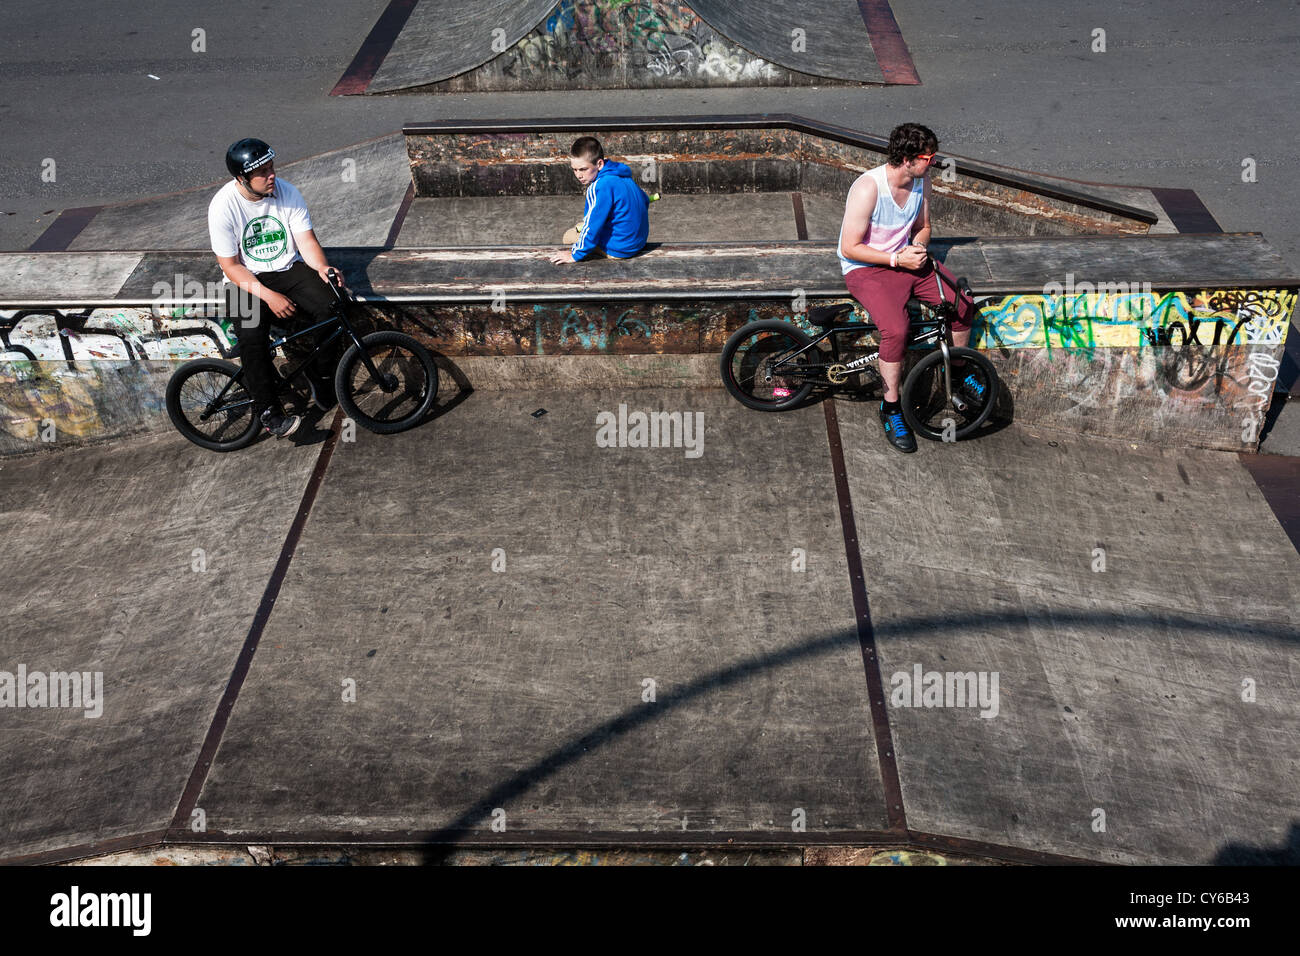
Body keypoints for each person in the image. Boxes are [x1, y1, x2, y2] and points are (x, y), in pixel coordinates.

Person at [838, 123, 977, 453]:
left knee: (962, 305)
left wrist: (917, 245)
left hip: (907, 260)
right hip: (867, 268)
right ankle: (891, 407)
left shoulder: (921, 181)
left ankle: (956, 378)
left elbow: (924, 227)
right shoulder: (868, 188)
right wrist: (897, 260)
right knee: (897, 330)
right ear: (907, 158)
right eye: (930, 158)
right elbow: (849, 248)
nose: (934, 163)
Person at [208, 138, 343, 439]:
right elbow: (230, 265)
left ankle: (320, 375)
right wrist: (268, 296)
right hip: (242, 280)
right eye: (263, 172)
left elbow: (306, 241)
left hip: (286, 269)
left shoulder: (287, 191)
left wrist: (322, 267)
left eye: (272, 168)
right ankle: (268, 411)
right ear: (242, 178)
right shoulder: (222, 206)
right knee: (252, 337)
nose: (272, 176)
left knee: (333, 305)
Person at [549, 136, 650, 265]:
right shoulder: (623, 175)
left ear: (599, 164)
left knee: (569, 236)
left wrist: (574, 255)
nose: (579, 175)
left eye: (583, 169)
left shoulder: (599, 186)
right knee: (583, 226)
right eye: (574, 169)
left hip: (620, 249)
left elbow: (593, 226)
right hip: (638, 242)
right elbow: (644, 201)